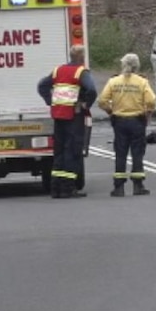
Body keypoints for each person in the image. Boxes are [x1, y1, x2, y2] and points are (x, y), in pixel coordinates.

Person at [37, 45, 97, 199]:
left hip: (58, 115)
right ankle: (67, 188)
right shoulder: (81, 72)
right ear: (82, 57)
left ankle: (55, 188)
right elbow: (91, 90)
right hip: (73, 116)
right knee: (72, 151)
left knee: (60, 151)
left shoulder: (58, 70)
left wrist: (50, 101)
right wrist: (85, 104)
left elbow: (42, 85)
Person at [97, 53, 156, 197]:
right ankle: (138, 186)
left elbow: (102, 101)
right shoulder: (142, 82)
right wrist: (147, 115)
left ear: (123, 64)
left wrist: (110, 112)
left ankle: (119, 187)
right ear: (137, 66)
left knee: (120, 153)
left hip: (119, 121)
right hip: (137, 120)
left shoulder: (114, 81)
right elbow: (151, 101)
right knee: (137, 153)